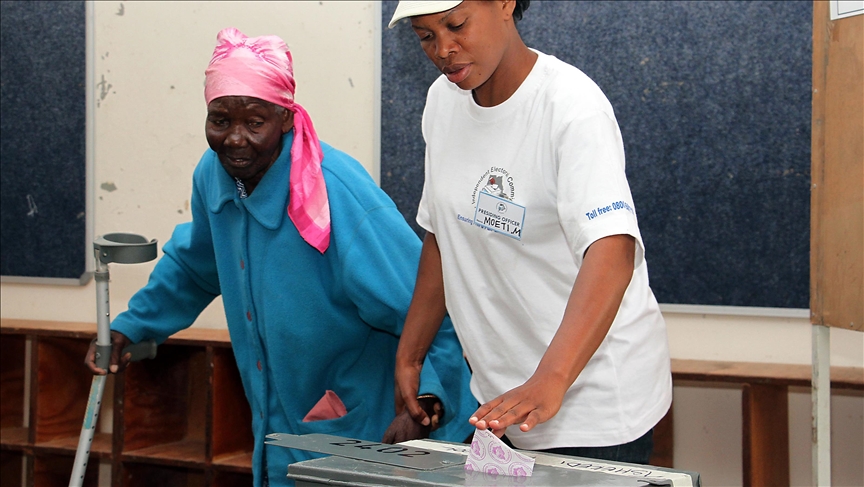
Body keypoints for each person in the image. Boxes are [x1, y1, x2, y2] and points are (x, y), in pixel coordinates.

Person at [85, 27, 476, 486]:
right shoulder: (214, 175)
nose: (235, 139)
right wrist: (132, 327)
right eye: (219, 119)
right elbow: (195, 265)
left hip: (371, 431)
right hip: (277, 424)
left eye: (255, 122)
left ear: (287, 118)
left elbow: (427, 306)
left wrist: (426, 402)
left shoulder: (337, 194)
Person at [388, 0, 673, 464]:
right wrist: (411, 353)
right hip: (502, 400)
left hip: (592, 401)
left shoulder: (571, 107)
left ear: (505, 4)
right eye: (425, 36)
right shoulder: (442, 101)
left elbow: (612, 251)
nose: (443, 49)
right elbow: (444, 233)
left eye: (456, 25)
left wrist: (552, 378)